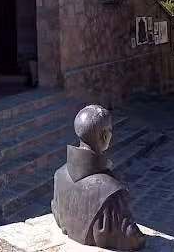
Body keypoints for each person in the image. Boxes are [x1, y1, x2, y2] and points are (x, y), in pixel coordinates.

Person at [51, 105, 146, 250]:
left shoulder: (59, 175)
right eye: (110, 130)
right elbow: (131, 238)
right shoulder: (111, 192)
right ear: (105, 136)